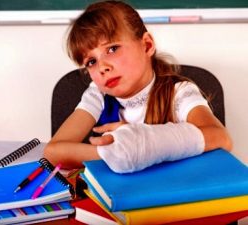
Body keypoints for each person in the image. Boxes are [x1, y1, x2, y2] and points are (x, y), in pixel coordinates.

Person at [44, 0, 232, 173]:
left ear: (147, 45)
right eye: (91, 61)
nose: (102, 67)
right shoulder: (97, 94)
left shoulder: (179, 93)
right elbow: (53, 152)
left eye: (112, 49)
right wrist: (120, 153)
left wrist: (143, 144)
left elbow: (221, 139)